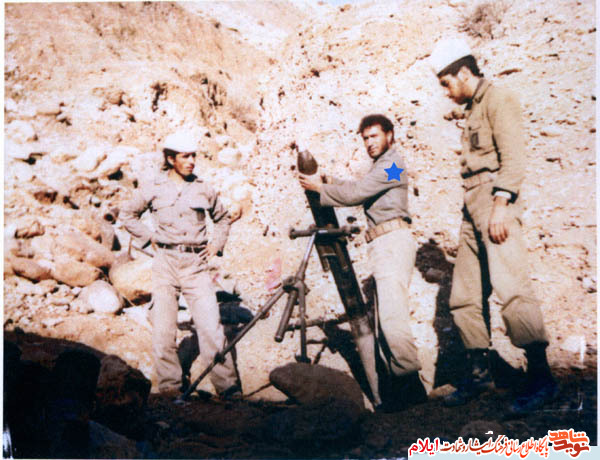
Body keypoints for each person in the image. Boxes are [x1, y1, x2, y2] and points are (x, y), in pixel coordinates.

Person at [429, 38, 558, 414]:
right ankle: (479, 375)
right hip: (471, 204)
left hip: (494, 201)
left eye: (446, 83)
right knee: (464, 295)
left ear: (463, 72)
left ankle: (541, 379)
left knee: (512, 287)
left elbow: (513, 159)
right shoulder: (472, 110)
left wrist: (501, 207)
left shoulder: (499, 100)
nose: (445, 92)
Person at [298, 114, 427, 412]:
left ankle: (412, 391)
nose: (369, 143)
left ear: (390, 135)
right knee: (384, 321)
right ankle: (403, 391)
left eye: (374, 136)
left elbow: (357, 193)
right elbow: (361, 186)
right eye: (365, 138)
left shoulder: (394, 165)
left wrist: (320, 189)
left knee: (392, 319)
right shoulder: (382, 167)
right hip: (383, 243)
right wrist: (330, 182)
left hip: (392, 241)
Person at [121, 129, 240, 399]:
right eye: (185, 156)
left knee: (211, 329)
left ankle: (228, 390)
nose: (191, 161)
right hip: (165, 264)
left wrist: (216, 245)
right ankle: (169, 389)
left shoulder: (203, 188)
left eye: (193, 156)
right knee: (164, 331)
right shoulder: (153, 186)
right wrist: (149, 237)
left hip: (196, 265)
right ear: (170, 159)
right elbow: (127, 214)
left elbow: (222, 218)